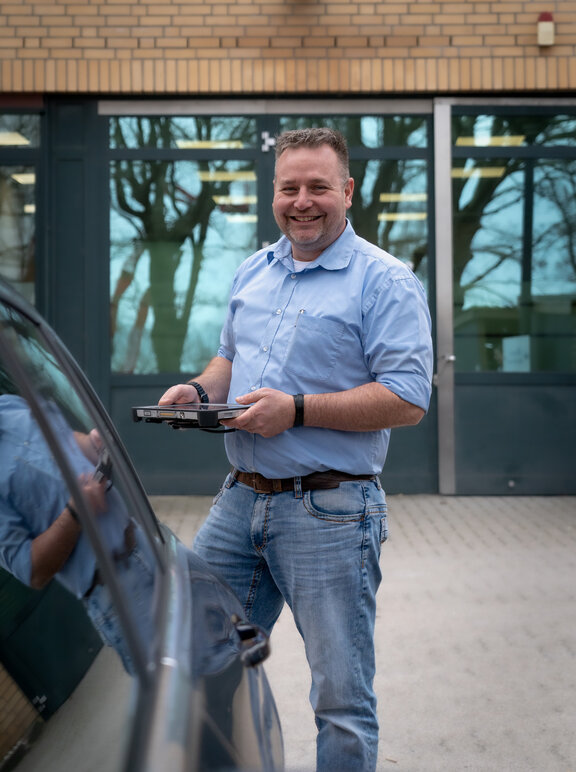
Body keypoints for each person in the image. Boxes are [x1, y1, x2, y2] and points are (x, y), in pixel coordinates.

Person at [159, 127, 433, 771]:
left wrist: (299, 410)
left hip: (330, 512)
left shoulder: (385, 282)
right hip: (238, 504)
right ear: (273, 192)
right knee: (196, 663)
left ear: (348, 190)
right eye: (289, 187)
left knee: (340, 698)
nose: (302, 200)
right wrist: (200, 390)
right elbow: (232, 356)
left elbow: (408, 398)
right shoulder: (255, 269)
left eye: (318, 186)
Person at [0, 392, 156, 675]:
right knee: (183, 698)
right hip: (118, 594)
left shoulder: (11, 404)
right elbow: (32, 570)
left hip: (147, 543)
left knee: (222, 662)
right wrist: (75, 514)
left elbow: (69, 442)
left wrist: (93, 444)